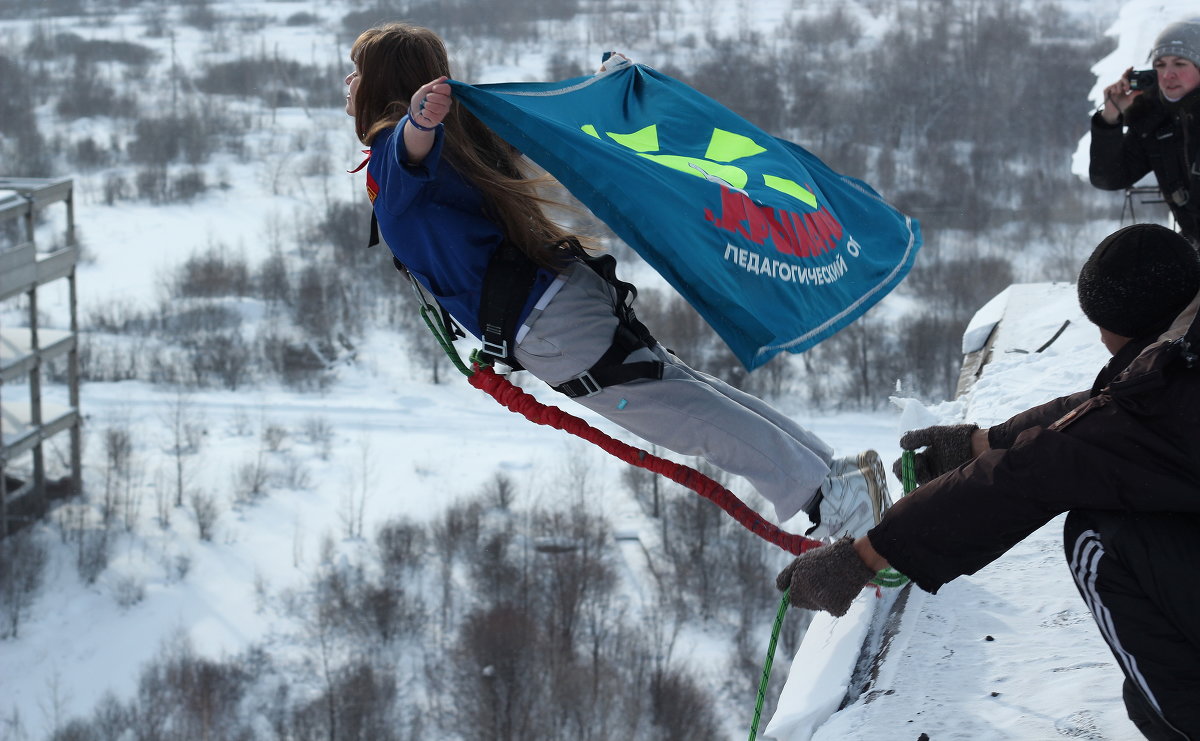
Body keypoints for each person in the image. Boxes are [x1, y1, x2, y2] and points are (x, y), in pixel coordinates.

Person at [344, 22, 888, 538]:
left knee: (684, 414)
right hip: (562, 297)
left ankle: (830, 497)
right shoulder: (464, 139)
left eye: (357, 72)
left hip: (550, 323)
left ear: (384, 85)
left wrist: (418, 121)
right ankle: (833, 476)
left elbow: (406, 151)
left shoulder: (400, 152)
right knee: (685, 392)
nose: (349, 84)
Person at [775, 223, 1200, 739]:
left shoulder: (1168, 397)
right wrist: (981, 442)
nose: (1100, 339)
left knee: (1099, 539)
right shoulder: (1184, 357)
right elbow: (1096, 413)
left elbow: (1037, 471)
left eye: (1102, 324)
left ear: (1135, 324)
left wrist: (863, 555)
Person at [1090, 18, 1200, 246]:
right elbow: (1109, 177)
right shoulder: (1154, 119)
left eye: (1180, 64)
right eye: (1160, 64)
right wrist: (1110, 117)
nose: (1168, 75)